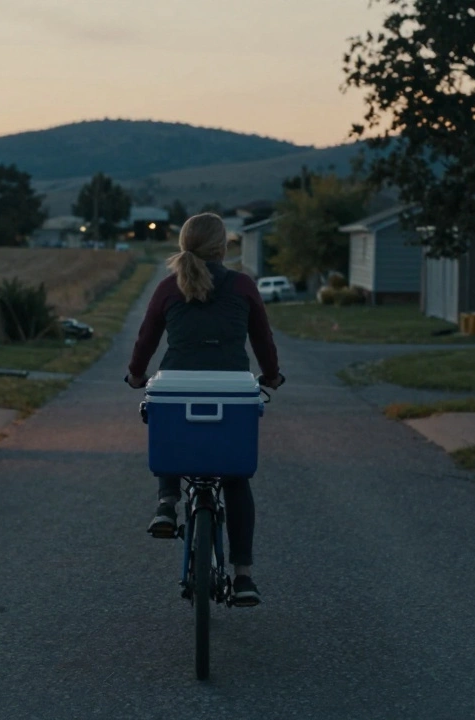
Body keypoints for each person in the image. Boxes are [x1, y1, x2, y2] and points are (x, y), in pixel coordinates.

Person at [127, 213, 284, 607]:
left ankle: (166, 503)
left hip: (178, 382)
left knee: (166, 420)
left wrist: (135, 375)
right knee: (234, 478)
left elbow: (147, 338)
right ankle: (243, 577)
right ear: (223, 247)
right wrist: (271, 375)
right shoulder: (243, 285)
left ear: (184, 244)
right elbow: (262, 338)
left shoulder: (168, 287)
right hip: (231, 388)